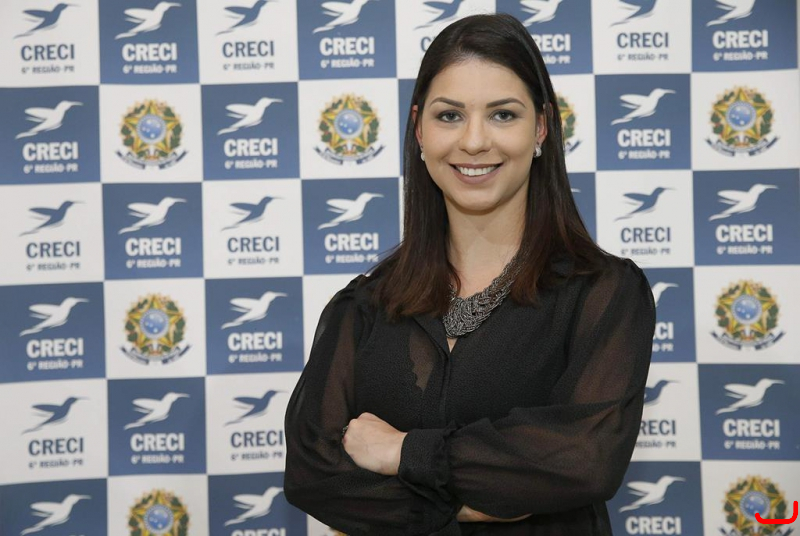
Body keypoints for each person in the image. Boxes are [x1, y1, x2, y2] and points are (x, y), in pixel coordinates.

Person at [284, 13, 655, 536]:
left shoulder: (604, 293)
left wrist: (403, 452)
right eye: (450, 115)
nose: (475, 141)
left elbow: (584, 460)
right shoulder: (364, 306)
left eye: (503, 114)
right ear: (419, 129)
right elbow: (312, 476)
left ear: (541, 127)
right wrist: (476, 501)